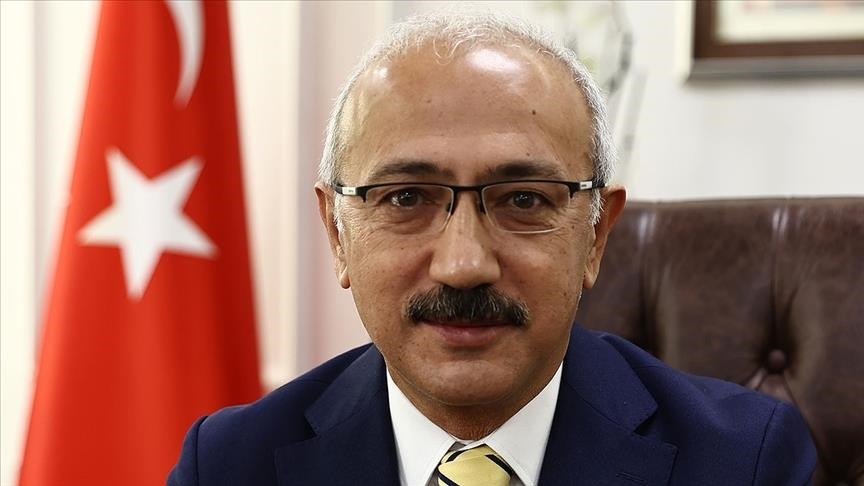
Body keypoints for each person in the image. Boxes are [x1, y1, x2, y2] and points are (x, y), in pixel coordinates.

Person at [168, 10, 816, 486]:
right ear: (338, 233)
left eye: (523, 200)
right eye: (406, 198)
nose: (463, 265)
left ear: (595, 234)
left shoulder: (745, 463)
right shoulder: (230, 466)